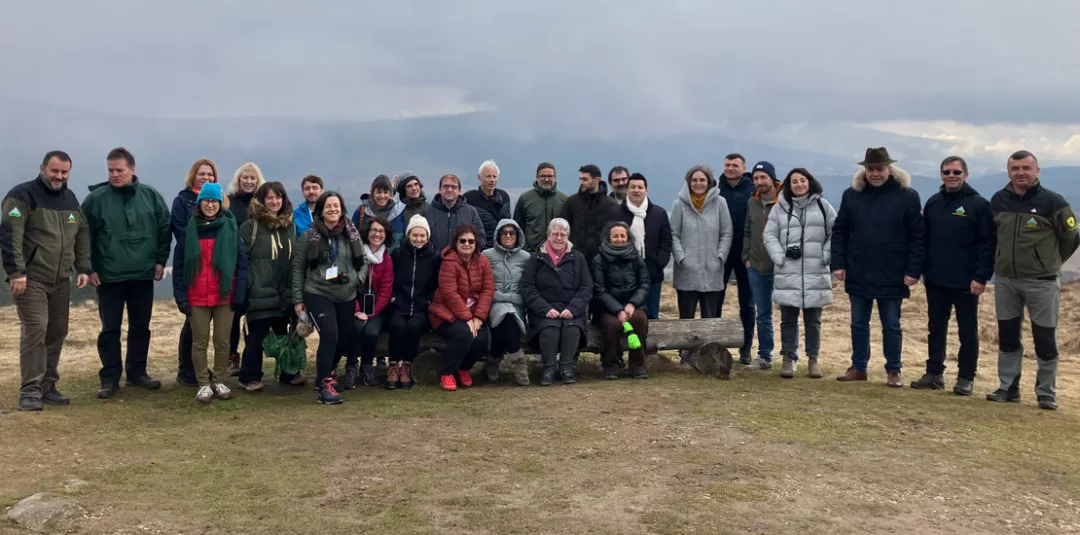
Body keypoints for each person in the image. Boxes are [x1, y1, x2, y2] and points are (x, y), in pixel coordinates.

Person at [986, 150, 1079, 410]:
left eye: (1026, 167)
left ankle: (1046, 392)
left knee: (1045, 339)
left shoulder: (1054, 202)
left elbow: (1071, 238)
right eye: (1015, 168)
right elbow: (992, 237)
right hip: (1005, 281)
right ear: (1008, 172)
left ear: (1037, 171)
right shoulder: (999, 200)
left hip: (1042, 282)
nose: (1021, 173)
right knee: (1007, 336)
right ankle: (1008, 387)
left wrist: (1049, 263)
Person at [1, 151, 91, 411]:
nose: (59, 176)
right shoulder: (22, 195)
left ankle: (47, 386)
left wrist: (83, 266)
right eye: (55, 171)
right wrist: (16, 272)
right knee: (36, 330)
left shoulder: (70, 199)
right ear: (42, 168)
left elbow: (81, 232)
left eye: (64, 172)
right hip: (32, 278)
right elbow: (9, 233)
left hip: (62, 278)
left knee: (57, 332)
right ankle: (30, 390)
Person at [81, 147, 171, 399]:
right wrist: (89, 268)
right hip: (108, 276)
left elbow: (164, 229)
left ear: (132, 169)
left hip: (143, 274)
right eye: (110, 170)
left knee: (141, 326)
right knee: (110, 328)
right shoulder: (95, 199)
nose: (114, 175)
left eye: (119, 170)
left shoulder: (150, 196)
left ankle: (137, 373)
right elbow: (82, 235)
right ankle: (109, 378)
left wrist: (160, 261)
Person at [832, 147, 926, 387]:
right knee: (858, 324)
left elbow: (918, 236)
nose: (875, 173)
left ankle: (894, 370)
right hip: (858, 268)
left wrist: (913, 270)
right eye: (871, 169)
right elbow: (840, 231)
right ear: (864, 170)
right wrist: (839, 263)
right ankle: (859, 367)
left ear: (889, 169)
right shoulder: (851, 195)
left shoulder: (907, 196)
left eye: (880, 169)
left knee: (892, 325)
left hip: (893, 271)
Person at [910, 156, 995, 396]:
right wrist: (923, 270)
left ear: (965, 175)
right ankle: (934, 373)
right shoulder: (934, 203)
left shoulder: (978, 204)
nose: (951, 175)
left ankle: (966, 377)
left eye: (956, 172)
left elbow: (987, 244)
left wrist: (981, 277)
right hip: (936, 279)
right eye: (946, 171)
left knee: (967, 331)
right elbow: (924, 240)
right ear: (941, 174)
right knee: (936, 328)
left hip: (967, 281)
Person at [172, 183, 248, 403]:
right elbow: (179, 266)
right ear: (200, 203)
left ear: (220, 204)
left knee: (223, 341)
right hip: (196, 295)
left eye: (214, 201)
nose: (210, 204)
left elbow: (241, 265)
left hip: (225, 295)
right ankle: (203, 383)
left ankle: (220, 380)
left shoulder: (231, 229)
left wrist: (239, 294)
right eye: (206, 200)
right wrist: (181, 296)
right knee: (200, 341)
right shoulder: (189, 231)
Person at [292, 191, 365, 405]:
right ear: (321, 211)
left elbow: (363, 263)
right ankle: (325, 385)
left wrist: (355, 280)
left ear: (342, 208)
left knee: (343, 338)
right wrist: (298, 300)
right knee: (330, 333)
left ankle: (326, 373)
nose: (333, 209)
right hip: (318, 291)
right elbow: (298, 269)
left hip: (346, 293)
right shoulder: (308, 236)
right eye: (328, 206)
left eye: (336, 205)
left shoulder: (352, 234)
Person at [763, 168, 837, 379]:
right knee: (788, 319)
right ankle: (788, 357)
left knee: (813, 320)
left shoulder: (823, 206)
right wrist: (780, 257)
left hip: (815, 270)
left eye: (802, 180)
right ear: (789, 185)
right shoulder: (780, 208)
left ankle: (813, 360)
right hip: (789, 271)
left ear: (810, 182)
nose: (799, 184)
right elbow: (769, 235)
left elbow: (835, 232)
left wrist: (825, 255)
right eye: (794, 181)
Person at [238, 181, 304, 391]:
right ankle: (249, 377)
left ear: (284, 199)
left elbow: (297, 259)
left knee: (285, 334)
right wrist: (249, 288)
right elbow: (242, 261)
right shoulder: (250, 227)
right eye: (270, 197)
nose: (274, 201)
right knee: (257, 336)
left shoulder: (291, 226)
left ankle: (288, 373)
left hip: (285, 291)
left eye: (278, 197)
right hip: (259, 291)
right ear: (262, 200)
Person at [520, 218, 593, 385]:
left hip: (571, 309)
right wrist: (545, 309)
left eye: (563, 234)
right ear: (548, 236)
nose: (559, 238)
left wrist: (573, 309)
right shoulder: (536, 258)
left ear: (568, 236)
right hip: (543, 310)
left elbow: (586, 287)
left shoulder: (578, 258)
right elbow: (527, 288)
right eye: (555, 234)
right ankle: (549, 368)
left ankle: (566, 367)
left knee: (571, 328)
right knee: (549, 328)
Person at [428, 224, 494, 391]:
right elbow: (449, 293)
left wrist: (478, 317)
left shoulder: (483, 262)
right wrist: (467, 318)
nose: (467, 244)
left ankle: (463, 368)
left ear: (476, 243)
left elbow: (488, 289)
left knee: (482, 341)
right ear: (456, 243)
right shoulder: (449, 262)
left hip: (473, 314)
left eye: (470, 241)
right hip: (445, 314)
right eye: (462, 240)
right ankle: (447, 372)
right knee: (464, 334)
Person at [172, 158, 219, 386]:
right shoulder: (182, 201)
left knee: (210, 327)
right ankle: (186, 369)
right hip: (194, 266)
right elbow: (180, 229)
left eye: (210, 174)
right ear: (193, 175)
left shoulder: (219, 200)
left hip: (215, 267)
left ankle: (199, 367)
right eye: (202, 174)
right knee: (192, 323)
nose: (206, 178)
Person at [669, 164, 733, 319]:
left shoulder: (720, 203)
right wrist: (681, 258)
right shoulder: (679, 205)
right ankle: (686, 345)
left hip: (712, 270)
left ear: (709, 182)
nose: (698, 183)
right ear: (688, 182)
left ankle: (709, 345)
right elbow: (673, 234)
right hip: (686, 272)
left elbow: (726, 232)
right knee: (686, 320)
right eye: (694, 180)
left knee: (710, 320)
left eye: (702, 180)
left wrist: (720, 256)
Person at [607, 172, 671, 320]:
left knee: (652, 316)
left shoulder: (659, 213)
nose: (636, 190)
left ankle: (648, 344)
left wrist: (659, 262)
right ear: (627, 190)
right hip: (622, 277)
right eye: (633, 187)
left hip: (652, 274)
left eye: (640, 187)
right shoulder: (615, 212)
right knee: (625, 316)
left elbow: (666, 241)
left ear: (646, 190)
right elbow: (608, 240)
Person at [387, 215, 441, 390]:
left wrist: (428, 300)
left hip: (422, 307)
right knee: (396, 325)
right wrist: (394, 295)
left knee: (414, 327)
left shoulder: (434, 257)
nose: (418, 239)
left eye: (422, 235)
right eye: (415, 235)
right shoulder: (398, 254)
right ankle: (394, 365)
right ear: (408, 235)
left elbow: (438, 283)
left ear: (428, 237)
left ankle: (407, 366)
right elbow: (390, 278)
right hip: (400, 304)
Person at [592, 222, 651, 380]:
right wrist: (618, 310)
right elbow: (599, 289)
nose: (619, 239)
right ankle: (611, 364)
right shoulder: (599, 259)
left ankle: (637, 363)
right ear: (609, 238)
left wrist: (632, 304)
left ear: (627, 238)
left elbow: (644, 284)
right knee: (612, 325)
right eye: (615, 236)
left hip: (633, 306)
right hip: (607, 308)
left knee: (639, 319)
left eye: (622, 236)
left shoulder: (636, 258)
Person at [344, 218, 394, 389]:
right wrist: (357, 310)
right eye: (374, 230)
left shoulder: (387, 260)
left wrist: (372, 313)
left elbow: (386, 291)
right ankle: (351, 366)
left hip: (376, 309)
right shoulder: (356, 254)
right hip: (354, 305)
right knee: (356, 328)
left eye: (381, 231)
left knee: (372, 332)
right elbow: (349, 283)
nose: (377, 234)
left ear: (386, 235)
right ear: (367, 232)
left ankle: (367, 366)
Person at [740, 161, 781, 369]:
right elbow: (748, 230)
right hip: (756, 267)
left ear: (772, 178)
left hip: (782, 268)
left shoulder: (785, 201)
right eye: (756, 178)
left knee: (789, 314)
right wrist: (747, 257)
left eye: (763, 177)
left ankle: (791, 357)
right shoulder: (752, 202)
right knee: (763, 314)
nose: (759, 182)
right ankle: (765, 357)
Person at [226, 161, 265, 375]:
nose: (249, 181)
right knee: (233, 313)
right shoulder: (228, 203)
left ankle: (252, 355)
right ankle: (231, 355)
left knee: (254, 314)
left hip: (257, 266)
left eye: (253, 178)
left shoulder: (262, 204)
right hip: (233, 266)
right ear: (238, 180)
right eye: (245, 177)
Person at [481, 219, 531, 386]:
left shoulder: (526, 257)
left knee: (508, 322)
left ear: (518, 235)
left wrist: (516, 299)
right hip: (493, 302)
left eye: (512, 233)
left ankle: (492, 360)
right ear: (498, 235)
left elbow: (528, 285)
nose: (508, 236)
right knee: (506, 320)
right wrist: (500, 297)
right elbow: (483, 284)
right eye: (504, 232)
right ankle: (518, 360)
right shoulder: (486, 255)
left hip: (517, 303)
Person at [718, 153, 757, 365]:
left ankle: (746, 347)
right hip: (721, 254)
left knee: (747, 304)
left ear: (743, 168)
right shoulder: (716, 189)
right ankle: (714, 343)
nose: (730, 168)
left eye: (734, 165)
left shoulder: (753, 190)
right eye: (727, 165)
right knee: (716, 300)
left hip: (746, 255)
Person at [560, 164, 617, 270]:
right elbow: (562, 229)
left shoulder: (611, 205)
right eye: (580, 179)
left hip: (602, 262)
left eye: (585, 179)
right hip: (574, 261)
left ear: (596, 180)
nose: (581, 182)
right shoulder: (572, 202)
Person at [424, 173, 486, 253]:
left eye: (453, 187)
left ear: (459, 190)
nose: (449, 190)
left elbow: (481, 238)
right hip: (433, 263)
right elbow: (421, 238)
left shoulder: (470, 212)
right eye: (446, 186)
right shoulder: (427, 212)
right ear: (440, 189)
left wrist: (468, 256)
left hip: (462, 263)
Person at [513, 162, 568, 252]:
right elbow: (517, 227)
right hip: (531, 253)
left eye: (550, 176)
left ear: (555, 178)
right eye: (543, 176)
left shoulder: (564, 200)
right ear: (537, 178)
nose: (546, 179)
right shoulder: (525, 199)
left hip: (557, 254)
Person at [463, 160, 512, 247]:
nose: (492, 180)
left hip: (501, 246)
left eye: (494, 176)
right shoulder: (469, 198)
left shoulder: (503, 196)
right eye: (488, 176)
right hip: (478, 246)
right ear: (479, 177)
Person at [351, 175, 406, 251]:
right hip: (367, 260)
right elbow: (351, 238)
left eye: (385, 192)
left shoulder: (399, 212)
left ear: (390, 193)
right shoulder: (361, 212)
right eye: (379, 192)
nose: (382, 196)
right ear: (372, 193)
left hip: (395, 261)